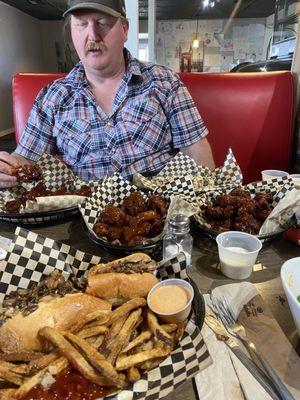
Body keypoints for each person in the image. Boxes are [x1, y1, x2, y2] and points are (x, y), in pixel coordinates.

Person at [0, 0, 215, 188]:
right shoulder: (53, 96)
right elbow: (26, 158)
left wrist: (203, 200)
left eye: (102, 23)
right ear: (72, 32)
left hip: (159, 214)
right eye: (81, 24)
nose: (92, 35)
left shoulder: (164, 82)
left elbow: (196, 151)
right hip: (82, 219)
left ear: (124, 28)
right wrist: (8, 168)